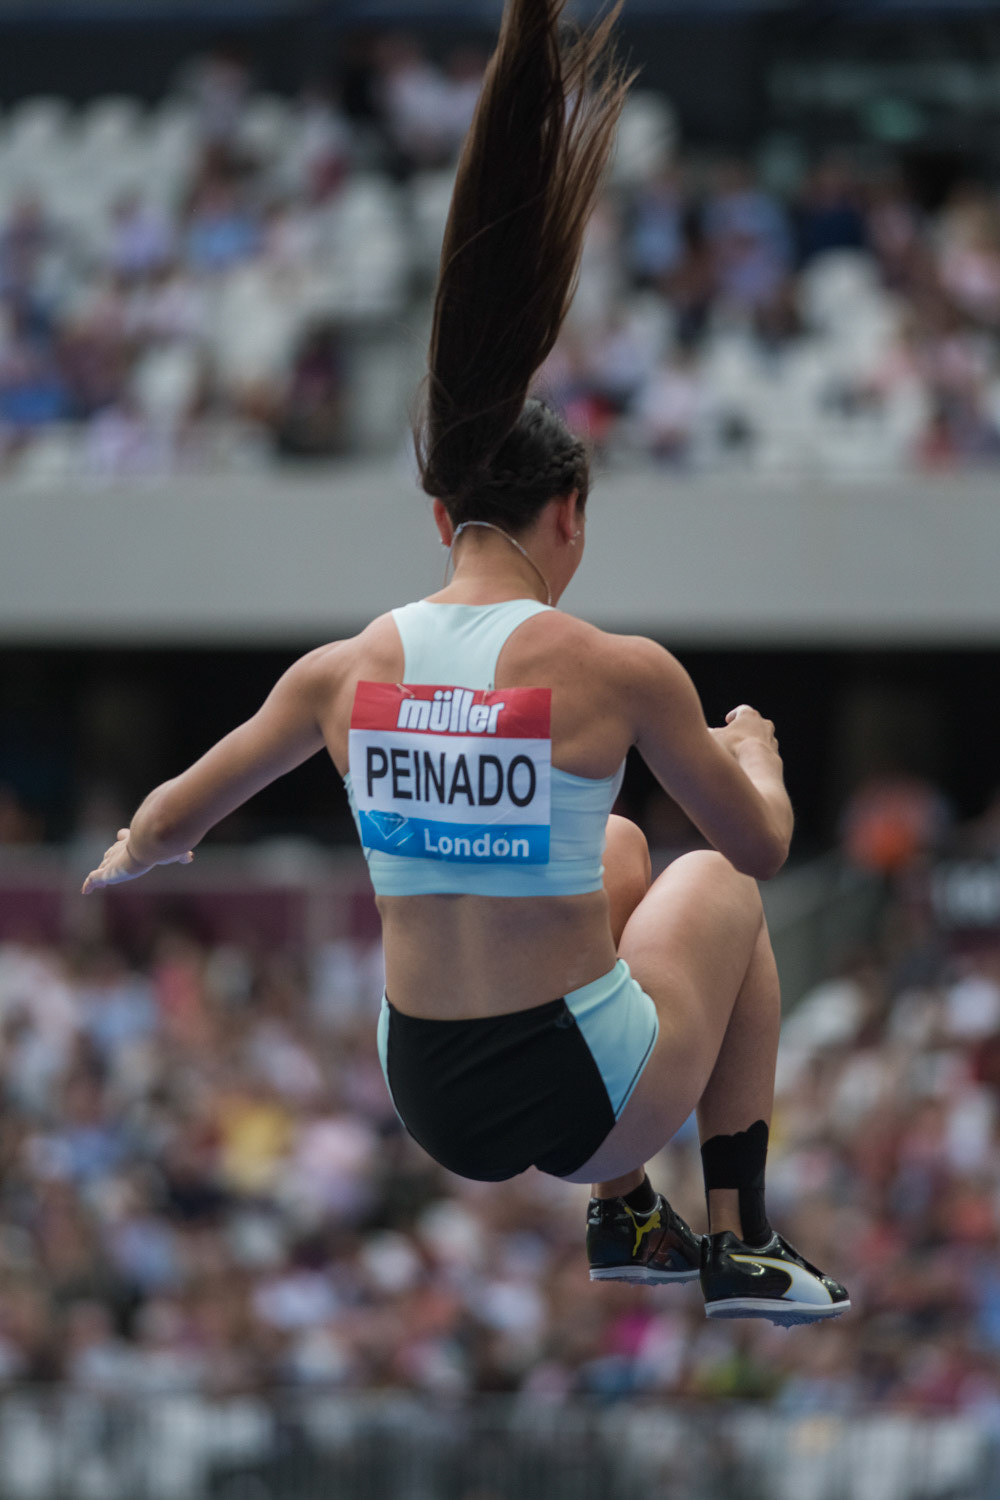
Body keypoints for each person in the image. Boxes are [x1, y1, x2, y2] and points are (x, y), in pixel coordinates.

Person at [83, 0, 848, 1328]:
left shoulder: (343, 671)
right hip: (581, 1094)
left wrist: (123, 858)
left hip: (428, 1091)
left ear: (444, 519)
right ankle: (740, 1238)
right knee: (714, 882)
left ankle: (628, 1216)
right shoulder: (615, 670)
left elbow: (172, 822)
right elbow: (764, 848)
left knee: (617, 850)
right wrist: (755, 757)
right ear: (572, 516)